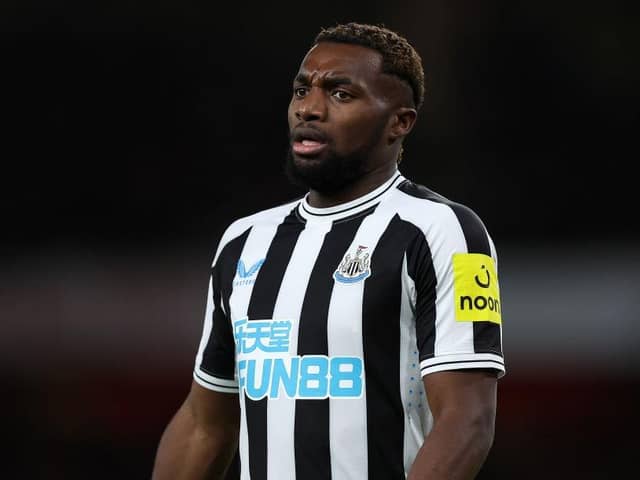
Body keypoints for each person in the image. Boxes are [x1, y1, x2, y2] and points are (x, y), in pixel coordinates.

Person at [151, 22, 505, 480]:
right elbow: (205, 424)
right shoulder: (244, 242)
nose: (310, 109)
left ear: (400, 122)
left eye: (341, 94)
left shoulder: (441, 231)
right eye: (302, 91)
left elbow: (468, 419)